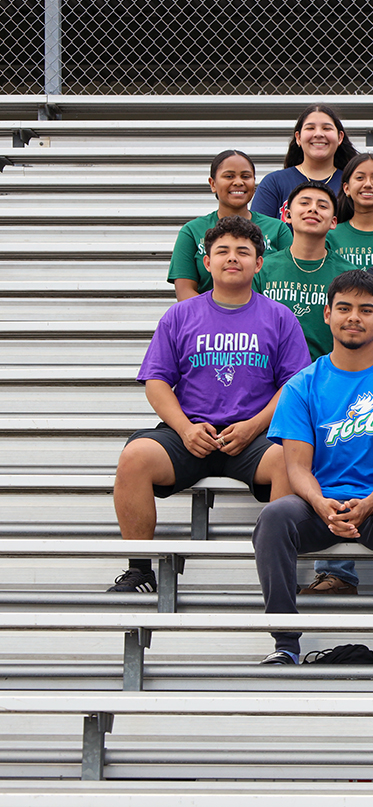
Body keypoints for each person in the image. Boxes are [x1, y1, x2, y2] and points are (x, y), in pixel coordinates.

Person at [109, 216, 311, 592]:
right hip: (190, 432)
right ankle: (139, 569)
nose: (232, 258)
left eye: (243, 251)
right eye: (222, 251)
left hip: (253, 435)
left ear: (259, 263)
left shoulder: (280, 317)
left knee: (290, 460)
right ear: (206, 262)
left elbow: (294, 384)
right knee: (134, 457)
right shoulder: (180, 315)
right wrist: (185, 428)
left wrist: (254, 425)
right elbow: (156, 383)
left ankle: (282, 571)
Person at [254, 269, 373, 665]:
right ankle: (284, 642)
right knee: (274, 516)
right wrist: (321, 504)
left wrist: (368, 503)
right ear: (327, 314)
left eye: (366, 309)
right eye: (344, 308)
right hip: (321, 506)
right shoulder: (302, 385)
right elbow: (297, 467)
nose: (354, 317)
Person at [169, 150, 293, 300]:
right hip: (208, 322)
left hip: (265, 321)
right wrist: (222, 318)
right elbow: (185, 293)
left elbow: (290, 285)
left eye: (246, 176)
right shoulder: (191, 231)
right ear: (213, 184)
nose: (238, 182)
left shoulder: (278, 229)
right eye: (229, 176)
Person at [253, 182, 355, 361]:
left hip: (328, 375)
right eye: (305, 203)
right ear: (287, 215)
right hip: (270, 375)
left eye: (322, 206)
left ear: (333, 222)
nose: (313, 209)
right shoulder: (261, 269)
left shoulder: (348, 274)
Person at [252, 104, 357, 222]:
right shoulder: (274, 183)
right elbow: (259, 231)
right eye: (310, 128)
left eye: (327, 128)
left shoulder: (353, 184)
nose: (318, 134)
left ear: (340, 137)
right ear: (298, 138)